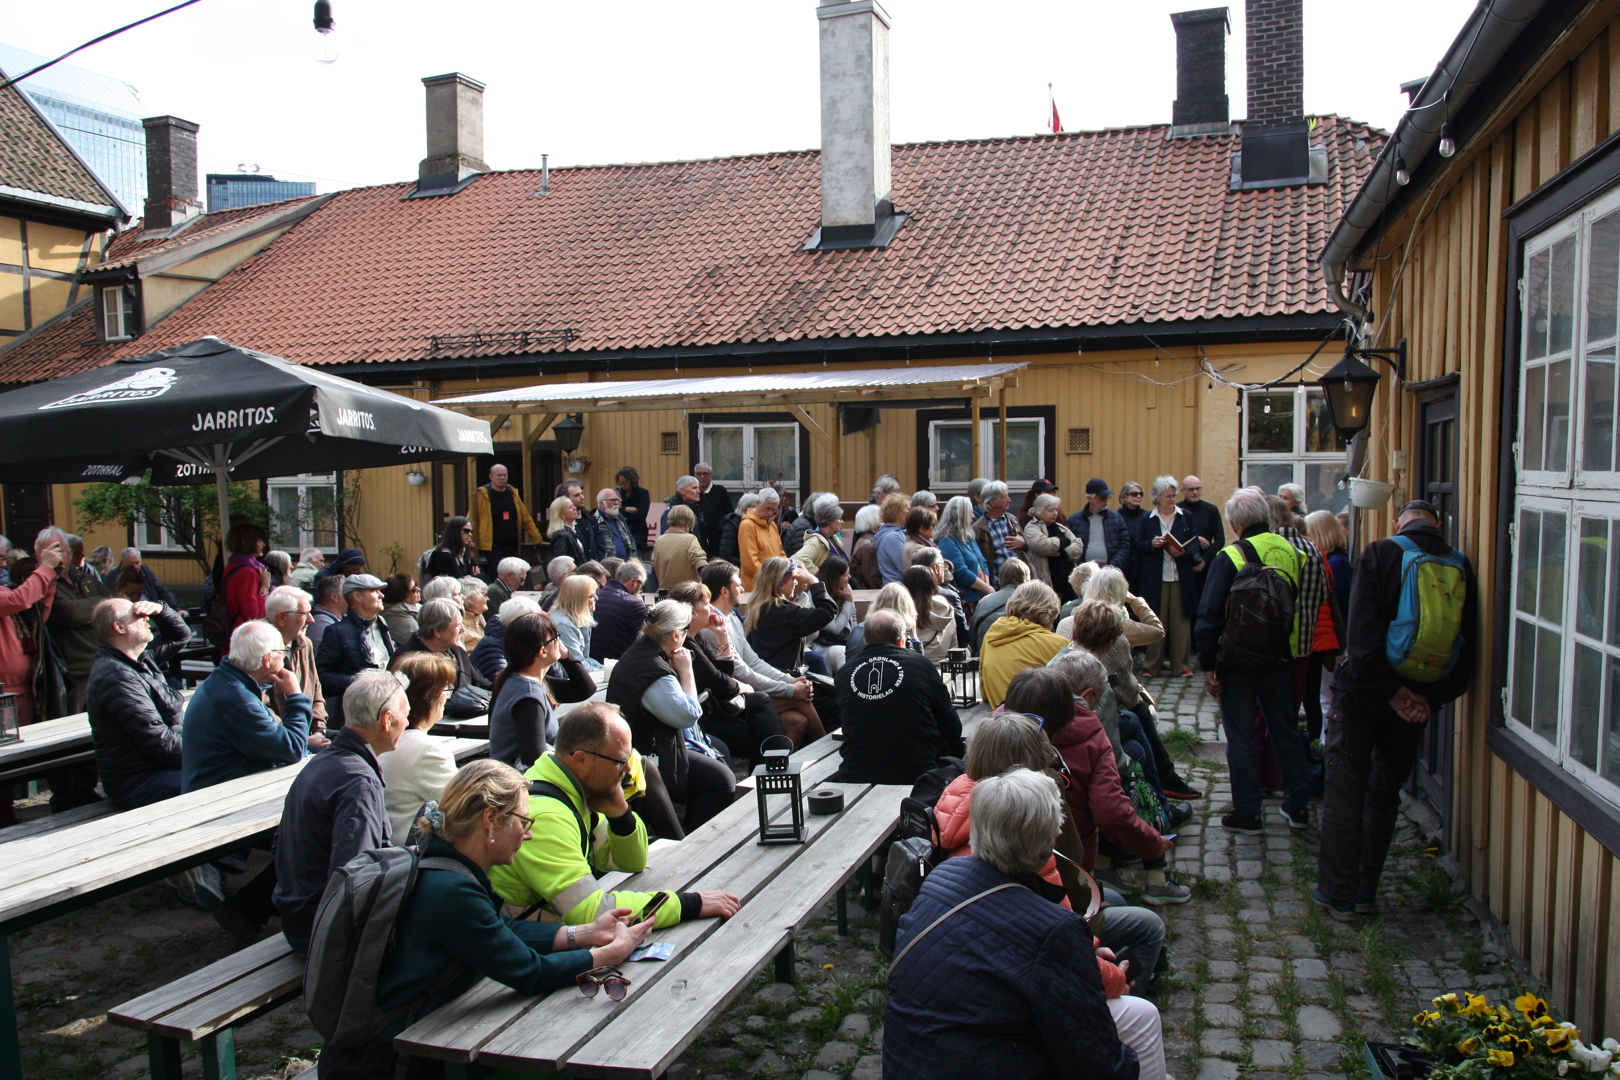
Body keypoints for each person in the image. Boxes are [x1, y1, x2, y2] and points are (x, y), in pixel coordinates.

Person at [317, 758, 651, 1080]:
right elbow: (529, 972)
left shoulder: (439, 860)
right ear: (491, 819)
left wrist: (586, 932)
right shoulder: (452, 891)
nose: (528, 834)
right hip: (388, 1063)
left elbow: (496, 930)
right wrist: (611, 954)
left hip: (389, 1044)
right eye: (524, 821)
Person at [885, 767, 1146, 1080]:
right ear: (1050, 838)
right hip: (987, 1059)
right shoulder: (1056, 927)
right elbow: (1101, 1065)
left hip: (911, 1064)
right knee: (1144, 1016)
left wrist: (1080, 961)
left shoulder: (940, 878)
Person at [1314, 500, 1476, 921]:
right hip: (1416, 702)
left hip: (1364, 696)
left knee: (1347, 788)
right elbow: (1466, 651)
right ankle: (1366, 891)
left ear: (1397, 522)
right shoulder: (1458, 565)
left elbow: (1362, 640)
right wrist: (1425, 699)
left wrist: (1391, 693)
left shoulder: (1381, 552)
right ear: (1438, 525)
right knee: (1385, 795)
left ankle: (1338, 894)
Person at [489, 700, 742, 927]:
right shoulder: (546, 815)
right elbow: (593, 913)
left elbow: (632, 862)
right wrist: (687, 905)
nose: (629, 771)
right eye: (620, 761)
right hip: (499, 959)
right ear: (581, 759)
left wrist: (620, 813)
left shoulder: (568, 788)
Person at [1193, 486, 1310, 835]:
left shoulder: (1230, 555)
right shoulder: (1292, 550)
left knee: (1241, 736)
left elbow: (1210, 614)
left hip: (1238, 659)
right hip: (1280, 655)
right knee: (1285, 732)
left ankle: (1248, 812)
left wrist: (1208, 666)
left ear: (1232, 523)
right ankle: (1298, 806)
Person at [181, 620, 310, 925]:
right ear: (268, 660)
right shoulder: (235, 697)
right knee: (305, 837)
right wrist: (295, 696)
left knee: (306, 832)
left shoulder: (229, 682)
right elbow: (290, 748)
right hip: (216, 801)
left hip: (227, 787)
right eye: (282, 652)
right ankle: (247, 911)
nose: (285, 658)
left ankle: (250, 909)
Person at [274, 670, 407, 955]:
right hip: (321, 932)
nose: (407, 722)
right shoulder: (359, 781)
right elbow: (356, 878)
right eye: (405, 714)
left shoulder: (325, 761)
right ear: (386, 720)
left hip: (298, 917)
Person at [606, 600, 738, 832]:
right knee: (721, 781)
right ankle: (695, 840)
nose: (688, 635)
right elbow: (688, 716)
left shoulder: (643, 650)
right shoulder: (653, 670)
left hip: (646, 744)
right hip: (644, 756)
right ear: (675, 636)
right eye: (686, 630)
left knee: (720, 749)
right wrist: (686, 672)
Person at [86, 596, 190, 808]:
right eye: (138, 615)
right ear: (119, 627)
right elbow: (159, 740)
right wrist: (208, 753)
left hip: (160, 768)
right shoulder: (116, 675)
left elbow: (180, 635)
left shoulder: (140, 658)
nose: (146, 618)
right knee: (224, 774)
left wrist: (161, 610)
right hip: (138, 782)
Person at [835, 609, 961, 784]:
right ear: (901, 641)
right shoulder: (921, 666)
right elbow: (953, 729)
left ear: (865, 639)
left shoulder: (844, 674)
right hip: (917, 775)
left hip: (856, 774)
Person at [699, 561, 819, 746]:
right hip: (729, 700)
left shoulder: (731, 617)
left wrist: (789, 680)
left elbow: (753, 661)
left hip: (746, 691)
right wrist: (789, 689)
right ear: (724, 591)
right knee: (801, 701)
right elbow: (741, 672)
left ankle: (777, 768)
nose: (742, 588)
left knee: (797, 721)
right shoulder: (712, 626)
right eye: (738, 585)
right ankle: (833, 752)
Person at [488, 611, 596, 771]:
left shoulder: (522, 680)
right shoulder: (528, 694)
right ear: (542, 651)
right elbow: (534, 758)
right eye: (556, 638)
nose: (560, 642)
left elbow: (584, 689)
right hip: (517, 785)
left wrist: (566, 656)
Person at [378, 650, 460, 843]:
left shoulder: (388, 740)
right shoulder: (426, 750)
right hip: (412, 860)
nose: (448, 697)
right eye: (446, 690)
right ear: (429, 697)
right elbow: (465, 806)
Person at [1136, 475, 1199, 677]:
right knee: (1156, 620)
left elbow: (1195, 542)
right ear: (1157, 497)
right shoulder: (1148, 519)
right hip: (1156, 577)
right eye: (1167, 496)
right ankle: (1152, 665)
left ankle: (1181, 665)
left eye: (1173, 495)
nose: (1172, 499)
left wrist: (1185, 552)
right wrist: (1151, 545)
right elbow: (1138, 545)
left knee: (1181, 621)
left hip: (1181, 576)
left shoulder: (1185, 516)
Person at [316, 573, 396, 729]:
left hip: (386, 707)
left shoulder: (381, 623)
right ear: (357, 597)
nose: (381, 595)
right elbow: (322, 676)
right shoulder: (337, 631)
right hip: (358, 716)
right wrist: (358, 682)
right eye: (375, 591)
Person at [46, 534, 110, 715]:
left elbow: (112, 602)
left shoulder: (84, 577)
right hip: (74, 669)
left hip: (98, 662)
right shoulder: (50, 583)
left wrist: (89, 610)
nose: (82, 554)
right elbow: (69, 613)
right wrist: (97, 607)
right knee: (74, 721)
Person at [744, 556, 840, 674]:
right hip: (782, 680)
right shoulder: (781, 611)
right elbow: (828, 611)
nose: (796, 582)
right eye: (793, 578)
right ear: (781, 582)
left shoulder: (762, 606)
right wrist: (814, 582)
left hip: (770, 675)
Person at [979, 581, 1068, 707]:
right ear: (1049, 613)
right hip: (1042, 722)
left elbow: (985, 693)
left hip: (1002, 718)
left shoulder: (992, 634)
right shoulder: (1059, 645)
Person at [1305, 509, 1353, 738]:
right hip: (1332, 637)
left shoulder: (1335, 563)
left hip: (1333, 638)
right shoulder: (1337, 559)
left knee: (1327, 695)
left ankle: (1327, 743)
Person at [266, 586, 330, 746]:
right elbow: (261, 708)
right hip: (282, 740)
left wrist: (319, 728)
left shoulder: (304, 643)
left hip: (309, 733)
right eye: (304, 614)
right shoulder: (260, 649)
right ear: (281, 618)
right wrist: (302, 738)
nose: (311, 619)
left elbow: (316, 690)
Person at [470, 463, 542, 573]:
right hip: (492, 545)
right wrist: (470, 540)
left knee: (513, 572)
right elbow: (471, 519)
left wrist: (537, 539)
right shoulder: (483, 495)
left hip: (512, 543)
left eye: (504, 475)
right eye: (499, 475)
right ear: (491, 477)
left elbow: (526, 518)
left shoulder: (512, 493)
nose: (502, 478)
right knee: (498, 572)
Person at [1023, 493, 1085, 603]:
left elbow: (1078, 546)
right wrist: (1063, 542)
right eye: (1051, 510)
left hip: (1067, 585)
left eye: (1056, 510)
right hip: (1045, 582)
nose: (1055, 513)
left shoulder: (1060, 528)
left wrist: (1061, 553)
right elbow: (1042, 546)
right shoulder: (1031, 528)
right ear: (1039, 510)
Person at [935, 495, 993, 607]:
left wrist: (987, 586)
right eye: (970, 512)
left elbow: (983, 562)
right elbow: (960, 572)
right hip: (966, 600)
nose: (973, 516)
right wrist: (986, 587)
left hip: (980, 597)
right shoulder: (947, 541)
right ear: (960, 516)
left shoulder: (968, 537)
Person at [589, 560, 648, 662]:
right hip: (620, 664)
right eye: (641, 585)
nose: (640, 590)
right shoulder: (634, 604)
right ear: (635, 581)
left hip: (590, 660)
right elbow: (644, 641)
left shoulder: (591, 598)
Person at [1178, 475, 1226, 601]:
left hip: (1206, 566)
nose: (1195, 492)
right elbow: (1173, 536)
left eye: (1198, 488)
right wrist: (1196, 539)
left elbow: (1220, 540)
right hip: (1184, 563)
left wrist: (1204, 560)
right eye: (1191, 489)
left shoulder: (1211, 510)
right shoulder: (1177, 510)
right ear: (1182, 491)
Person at [471, 596, 540, 682]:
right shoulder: (491, 646)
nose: (539, 626)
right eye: (535, 622)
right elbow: (503, 682)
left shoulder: (520, 640)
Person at [972, 480, 1029, 581]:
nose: (1009, 500)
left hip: (1021, 580)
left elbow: (1026, 549)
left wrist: (1024, 543)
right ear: (992, 502)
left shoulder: (1012, 520)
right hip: (998, 583)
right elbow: (981, 561)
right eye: (1004, 497)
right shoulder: (978, 529)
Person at [970, 557, 1029, 653]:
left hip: (986, 660)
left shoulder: (984, 602)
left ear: (1001, 579)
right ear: (1025, 580)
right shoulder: (1032, 603)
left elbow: (973, 636)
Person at [222, 522, 272, 632]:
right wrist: (265, 587)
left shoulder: (233, 565)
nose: (263, 544)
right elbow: (253, 614)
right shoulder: (248, 572)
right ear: (246, 542)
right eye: (259, 540)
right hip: (247, 635)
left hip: (236, 631)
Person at [901, 565, 956, 662]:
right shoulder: (947, 609)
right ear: (933, 583)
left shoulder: (902, 612)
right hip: (944, 668)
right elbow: (954, 644)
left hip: (913, 666)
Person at [551, 575, 603, 673]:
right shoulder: (563, 626)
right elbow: (577, 667)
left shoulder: (578, 619)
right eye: (592, 596)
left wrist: (606, 669)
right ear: (578, 600)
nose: (597, 598)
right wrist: (606, 672)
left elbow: (585, 659)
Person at [736, 487, 786, 589]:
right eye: (767, 508)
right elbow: (750, 562)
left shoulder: (772, 525)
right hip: (755, 587)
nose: (770, 513)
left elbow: (780, 553)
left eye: (773, 509)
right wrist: (772, 578)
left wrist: (785, 570)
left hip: (773, 584)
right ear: (758, 503)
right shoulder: (747, 525)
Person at [653, 503, 708, 591]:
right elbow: (699, 560)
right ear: (688, 524)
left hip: (663, 593)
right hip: (686, 593)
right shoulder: (690, 539)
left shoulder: (659, 541)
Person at [101, 547, 179, 608]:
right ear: (122, 563)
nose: (135, 566)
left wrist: (176, 609)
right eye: (131, 563)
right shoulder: (112, 577)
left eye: (137, 563)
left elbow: (161, 590)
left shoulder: (145, 571)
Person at [796, 497, 847, 576]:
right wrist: (819, 576)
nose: (842, 522)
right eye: (839, 519)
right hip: (827, 587)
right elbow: (798, 558)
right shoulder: (815, 540)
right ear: (828, 521)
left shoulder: (833, 538)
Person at [658, 475, 711, 548]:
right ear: (682, 490)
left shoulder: (697, 510)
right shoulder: (672, 513)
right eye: (694, 488)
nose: (699, 491)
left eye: (698, 488)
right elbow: (668, 541)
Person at [427, 515, 481, 584]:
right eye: (466, 531)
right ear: (455, 531)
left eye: (471, 531)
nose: (470, 534)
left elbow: (483, 576)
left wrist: (470, 578)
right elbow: (459, 582)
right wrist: (473, 577)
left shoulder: (464, 553)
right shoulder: (444, 555)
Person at [871, 492, 911, 586]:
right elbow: (905, 566)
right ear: (897, 512)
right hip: (898, 590)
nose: (910, 512)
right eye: (908, 509)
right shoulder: (892, 537)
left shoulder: (898, 532)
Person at [614, 466, 653, 559]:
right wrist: (626, 509)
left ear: (632, 481)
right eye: (620, 483)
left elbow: (641, 515)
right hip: (620, 528)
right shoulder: (616, 492)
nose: (622, 486)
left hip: (637, 530)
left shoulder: (643, 493)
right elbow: (614, 510)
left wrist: (623, 514)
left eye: (625, 483)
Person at [692, 462, 730, 555]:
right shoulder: (692, 493)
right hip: (698, 538)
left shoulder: (720, 491)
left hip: (717, 538)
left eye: (705, 473)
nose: (702, 477)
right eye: (698, 474)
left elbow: (729, 513)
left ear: (711, 475)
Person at [592, 487, 636, 564]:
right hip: (606, 570)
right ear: (602, 504)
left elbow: (631, 540)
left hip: (626, 568)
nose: (616, 503)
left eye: (617, 500)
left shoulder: (619, 518)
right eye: (612, 500)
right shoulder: (594, 521)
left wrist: (634, 561)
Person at [379, 574, 422, 650]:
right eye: (413, 589)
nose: (418, 589)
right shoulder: (396, 614)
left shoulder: (413, 605)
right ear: (402, 595)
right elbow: (420, 642)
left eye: (416, 584)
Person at [847, 503, 883, 589]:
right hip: (867, 593)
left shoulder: (863, 539)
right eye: (880, 516)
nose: (884, 518)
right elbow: (871, 577)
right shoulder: (868, 544)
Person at [307, 575, 346, 651]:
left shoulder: (343, 615)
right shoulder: (320, 622)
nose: (351, 595)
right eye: (346, 591)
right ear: (334, 596)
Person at [546, 496, 588, 565]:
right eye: (570, 507)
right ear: (561, 514)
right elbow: (560, 564)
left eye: (573, 506)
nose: (575, 508)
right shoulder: (561, 536)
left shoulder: (573, 530)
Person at [717, 492, 755, 566]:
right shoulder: (732, 526)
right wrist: (747, 563)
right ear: (747, 509)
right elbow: (725, 556)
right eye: (756, 508)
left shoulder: (755, 524)